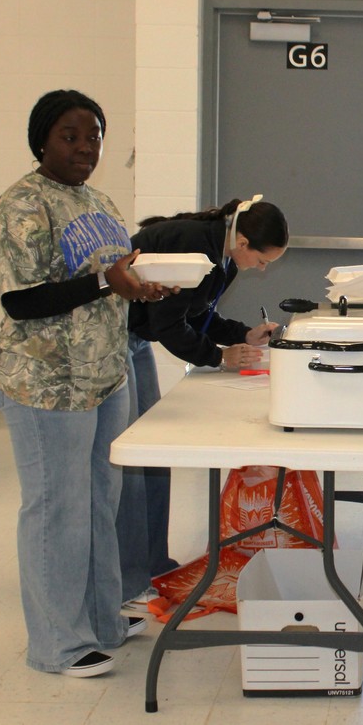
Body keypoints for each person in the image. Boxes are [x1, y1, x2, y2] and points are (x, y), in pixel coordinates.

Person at [0, 89, 166, 677]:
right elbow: (21, 299)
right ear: (42, 140)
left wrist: (141, 286)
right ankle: (59, 644)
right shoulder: (22, 205)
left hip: (104, 376)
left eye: (94, 137)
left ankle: (103, 619)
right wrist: (106, 284)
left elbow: (114, 278)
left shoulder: (98, 199)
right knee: (56, 508)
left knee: (99, 503)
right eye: (71, 136)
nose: (85, 147)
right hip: (44, 384)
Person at [118, 196, 288, 606]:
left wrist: (242, 335)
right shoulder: (197, 247)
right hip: (118, 337)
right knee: (135, 457)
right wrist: (217, 356)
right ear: (243, 240)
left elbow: (198, 315)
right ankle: (129, 575)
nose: (262, 269)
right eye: (263, 261)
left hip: (137, 336)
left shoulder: (223, 254)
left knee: (151, 459)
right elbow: (167, 324)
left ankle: (152, 563)